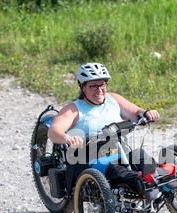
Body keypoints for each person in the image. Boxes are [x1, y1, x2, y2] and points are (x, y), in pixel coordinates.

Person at [48, 62, 160, 194]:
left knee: (142, 158)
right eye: (93, 86)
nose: (99, 90)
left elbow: (135, 112)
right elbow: (54, 131)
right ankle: (144, 187)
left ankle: (162, 185)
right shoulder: (74, 109)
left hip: (120, 154)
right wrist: (67, 138)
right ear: (82, 87)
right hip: (90, 160)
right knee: (118, 172)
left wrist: (146, 113)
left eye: (102, 84)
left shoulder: (113, 99)